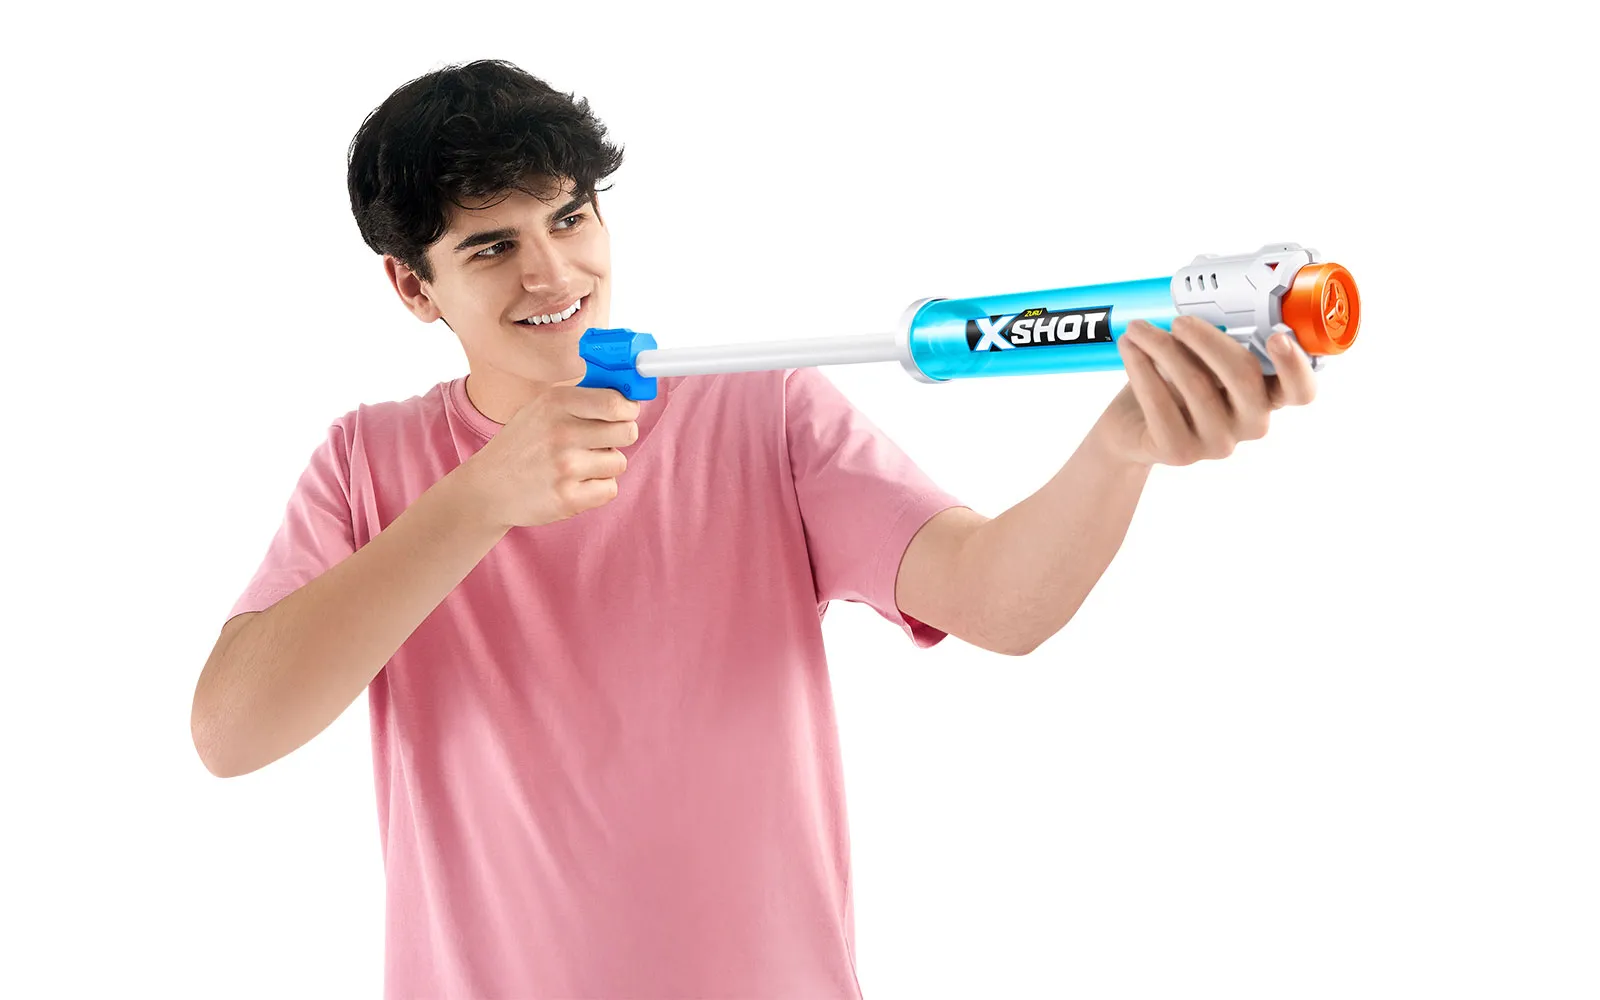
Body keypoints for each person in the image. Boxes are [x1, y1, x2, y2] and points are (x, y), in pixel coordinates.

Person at [190, 59, 1319, 1000]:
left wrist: (1120, 447)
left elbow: (996, 598)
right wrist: (480, 496)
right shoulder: (368, 462)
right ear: (412, 287)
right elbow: (230, 734)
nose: (554, 271)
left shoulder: (759, 406)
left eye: (570, 217)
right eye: (492, 247)